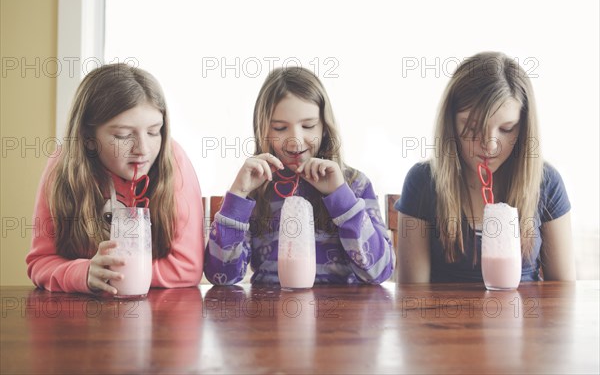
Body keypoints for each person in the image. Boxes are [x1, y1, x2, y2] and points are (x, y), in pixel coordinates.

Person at [395, 51, 575, 283]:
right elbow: (413, 295)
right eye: (472, 126)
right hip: (444, 319)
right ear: (450, 123)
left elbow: (563, 292)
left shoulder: (546, 182)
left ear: (523, 128)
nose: (490, 145)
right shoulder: (423, 182)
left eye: (507, 129)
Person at [204, 67, 394, 285]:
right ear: (263, 129)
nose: (295, 140)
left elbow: (380, 271)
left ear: (324, 126)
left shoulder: (354, 185)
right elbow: (222, 276)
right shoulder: (257, 188)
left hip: (343, 315)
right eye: (280, 128)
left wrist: (341, 198)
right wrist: (238, 196)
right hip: (272, 314)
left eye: (308, 125)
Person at [26, 63, 204, 294]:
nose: (143, 149)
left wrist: (115, 276)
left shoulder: (173, 160)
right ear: (88, 137)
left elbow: (186, 268)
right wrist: (85, 273)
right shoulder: (63, 166)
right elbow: (41, 262)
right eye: (123, 135)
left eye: (153, 132)